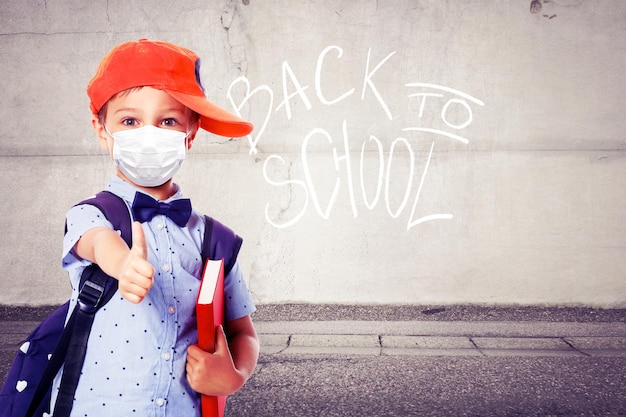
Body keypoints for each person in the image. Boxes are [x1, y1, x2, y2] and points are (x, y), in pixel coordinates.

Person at [52, 39, 259, 416]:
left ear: (190, 133)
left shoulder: (215, 240)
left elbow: (242, 331)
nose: (149, 134)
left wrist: (234, 375)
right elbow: (96, 243)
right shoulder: (91, 215)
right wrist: (122, 264)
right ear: (102, 130)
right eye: (130, 121)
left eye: (168, 121)